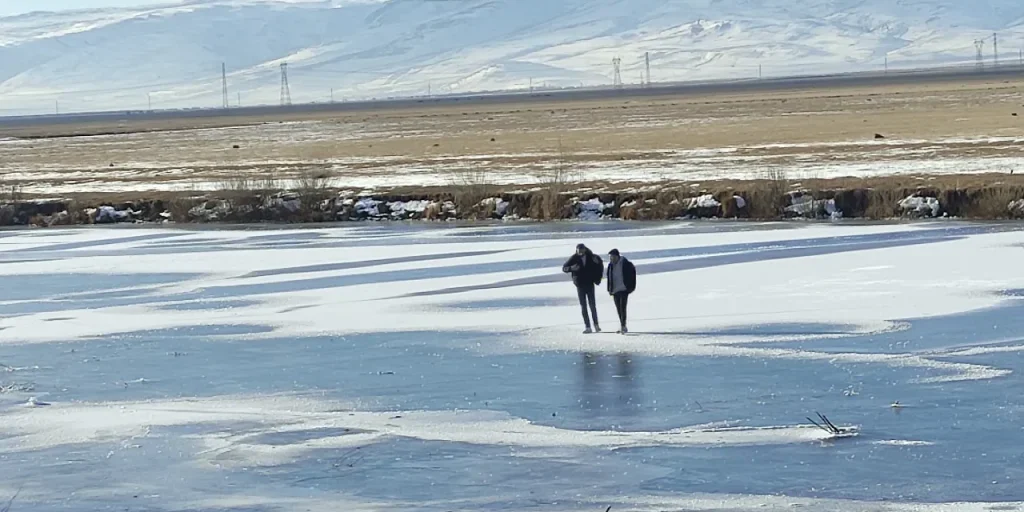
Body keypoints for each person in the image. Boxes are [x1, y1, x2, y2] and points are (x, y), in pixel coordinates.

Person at [562, 243, 604, 333]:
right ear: (576, 250)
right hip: (580, 285)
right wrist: (572, 268)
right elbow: (564, 268)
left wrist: (598, 278)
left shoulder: (591, 256)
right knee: (583, 306)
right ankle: (587, 326)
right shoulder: (574, 258)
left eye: (581, 250)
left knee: (592, 305)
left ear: (585, 249)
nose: (580, 252)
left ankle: (596, 325)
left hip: (589, 283)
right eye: (578, 250)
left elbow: (599, 266)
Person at [606, 249, 636, 334]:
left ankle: (623, 325)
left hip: (623, 289)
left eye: (612, 257)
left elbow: (632, 275)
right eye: (610, 257)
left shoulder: (626, 264)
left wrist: (631, 287)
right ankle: (622, 325)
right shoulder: (610, 266)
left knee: (623, 308)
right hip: (615, 290)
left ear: (617, 256)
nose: (611, 259)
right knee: (618, 308)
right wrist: (609, 289)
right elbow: (609, 278)